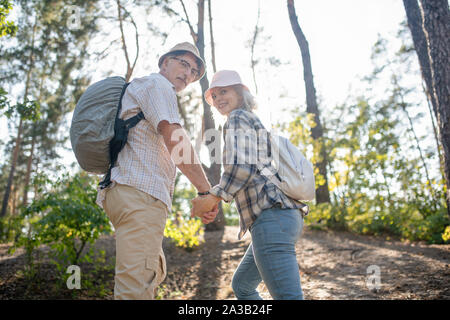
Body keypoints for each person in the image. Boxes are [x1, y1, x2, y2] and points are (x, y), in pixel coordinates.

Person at [96, 42, 218, 300]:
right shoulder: (158, 85)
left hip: (129, 194)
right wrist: (205, 191)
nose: (188, 73)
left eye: (194, 71)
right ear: (165, 63)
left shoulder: (146, 88)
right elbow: (175, 138)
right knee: (136, 289)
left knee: (148, 276)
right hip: (140, 195)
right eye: (183, 64)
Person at [191, 70, 309, 300]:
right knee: (243, 285)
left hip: (271, 219)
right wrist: (216, 198)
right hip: (280, 217)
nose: (218, 99)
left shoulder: (237, 118)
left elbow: (241, 168)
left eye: (223, 91)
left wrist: (212, 198)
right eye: (214, 96)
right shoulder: (249, 119)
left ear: (241, 91)